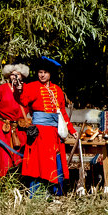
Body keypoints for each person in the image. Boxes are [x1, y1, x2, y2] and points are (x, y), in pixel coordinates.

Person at [18, 56, 77, 196]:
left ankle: (55, 192)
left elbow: (62, 112)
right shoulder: (31, 87)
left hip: (54, 133)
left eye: (45, 72)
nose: (42, 75)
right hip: (39, 132)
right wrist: (20, 90)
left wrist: (72, 130)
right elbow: (23, 102)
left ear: (50, 74)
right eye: (40, 72)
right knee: (37, 163)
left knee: (55, 161)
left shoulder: (57, 90)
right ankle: (36, 194)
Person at [0, 62, 28, 179]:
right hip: (2, 128)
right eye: (12, 74)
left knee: (21, 158)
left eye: (17, 74)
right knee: (0, 157)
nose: (15, 77)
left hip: (20, 129)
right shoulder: (1, 90)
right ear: (8, 75)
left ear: (22, 75)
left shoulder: (28, 89)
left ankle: (19, 184)